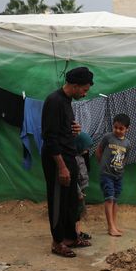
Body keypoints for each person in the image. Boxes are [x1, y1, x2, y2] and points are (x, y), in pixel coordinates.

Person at [41, 66, 94, 258]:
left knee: (71, 200)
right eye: (84, 89)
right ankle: (57, 242)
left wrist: (74, 129)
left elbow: (62, 129)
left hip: (69, 156)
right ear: (74, 85)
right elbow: (49, 137)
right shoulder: (54, 101)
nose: (85, 93)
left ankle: (71, 237)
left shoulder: (66, 101)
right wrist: (62, 167)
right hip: (57, 160)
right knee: (58, 201)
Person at [95, 113, 131, 237]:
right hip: (107, 175)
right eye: (115, 127)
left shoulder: (127, 143)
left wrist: (120, 168)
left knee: (115, 200)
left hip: (118, 176)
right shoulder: (108, 137)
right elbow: (98, 151)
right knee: (109, 199)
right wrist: (103, 165)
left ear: (127, 129)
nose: (117, 130)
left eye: (121, 128)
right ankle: (110, 227)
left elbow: (125, 158)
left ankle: (114, 226)